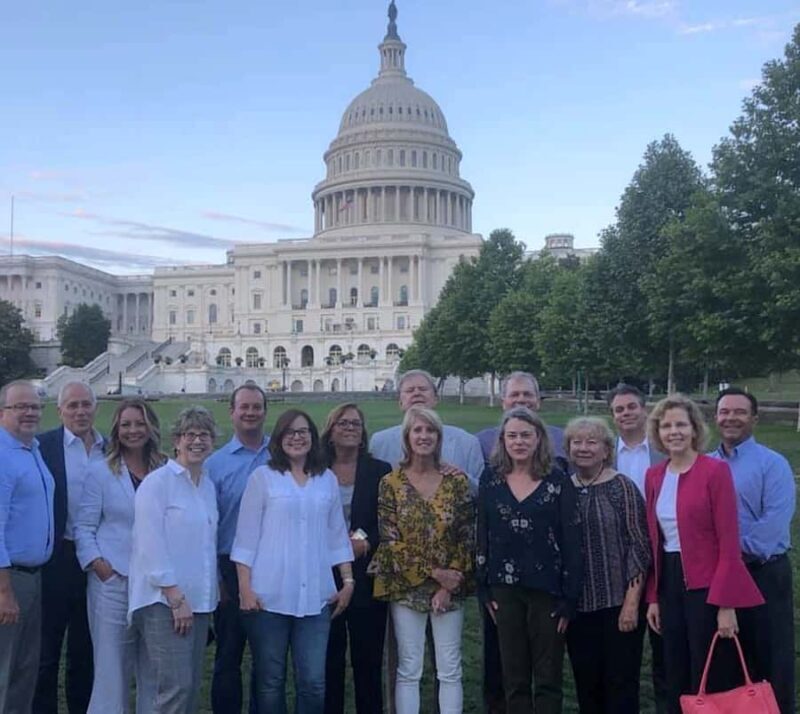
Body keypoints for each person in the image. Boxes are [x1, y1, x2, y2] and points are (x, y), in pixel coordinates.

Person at [643, 394, 764, 713]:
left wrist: (726, 604)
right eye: (666, 426)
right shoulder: (654, 475)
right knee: (674, 665)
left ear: (694, 429)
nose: (674, 432)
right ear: (658, 432)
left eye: (681, 424)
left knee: (707, 668)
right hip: (669, 581)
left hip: (707, 585)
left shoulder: (715, 471)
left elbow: (729, 541)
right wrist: (654, 596)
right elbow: (655, 540)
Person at [232, 409, 354, 714]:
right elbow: (246, 538)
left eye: (303, 432)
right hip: (268, 597)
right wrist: (244, 587)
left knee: (313, 682)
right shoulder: (263, 478)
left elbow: (336, 534)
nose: (297, 438)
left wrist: (348, 581)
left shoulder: (325, 479)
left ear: (313, 437)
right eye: (290, 432)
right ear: (279, 439)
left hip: (316, 597)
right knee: (270, 681)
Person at [476, 407, 581, 714]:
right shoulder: (491, 480)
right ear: (503, 440)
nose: (519, 442)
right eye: (512, 436)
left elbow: (571, 540)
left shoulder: (558, 481)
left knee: (547, 677)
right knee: (514, 676)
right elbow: (483, 533)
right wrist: (483, 588)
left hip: (548, 591)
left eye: (526, 435)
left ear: (539, 439)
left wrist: (570, 597)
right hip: (504, 591)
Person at [369, 406, 474, 714]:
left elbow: (466, 535)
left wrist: (448, 583)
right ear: (407, 437)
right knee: (409, 669)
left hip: (449, 589)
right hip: (405, 587)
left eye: (430, 430)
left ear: (438, 437)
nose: (424, 436)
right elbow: (391, 540)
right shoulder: (391, 483)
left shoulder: (456, 482)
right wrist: (434, 574)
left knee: (449, 668)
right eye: (417, 430)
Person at [75, 399, 168, 713]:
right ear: (116, 429)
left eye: (139, 423)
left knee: (155, 669)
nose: (133, 430)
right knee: (111, 668)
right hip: (113, 581)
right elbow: (84, 527)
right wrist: (100, 566)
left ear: (150, 427)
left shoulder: (167, 469)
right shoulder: (101, 471)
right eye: (126, 424)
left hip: (156, 583)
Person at [128, 406, 219, 714]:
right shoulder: (158, 484)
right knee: (173, 688)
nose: (197, 441)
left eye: (204, 434)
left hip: (199, 602)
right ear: (176, 440)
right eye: (189, 434)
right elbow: (150, 545)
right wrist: (174, 597)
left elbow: (204, 546)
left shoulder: (206, 486)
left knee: (189, 687)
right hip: (164, 602)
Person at [712, 387, 795, 714]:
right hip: (718, 579)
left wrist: (721, 549)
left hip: (762, 575)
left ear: (754, 419)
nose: (731, 417)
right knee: (728, 662)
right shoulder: (704, 464)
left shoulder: (773, 465)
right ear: (715, 417)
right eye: (724, 411)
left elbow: (769, 531)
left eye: (739, 412)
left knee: (771, 662)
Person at [563, 417, 650, 714]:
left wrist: (631, 601)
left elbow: (639, 544)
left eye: (592, 442)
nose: (583, 448)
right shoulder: (564, 489)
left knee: (621, 683)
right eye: (577, 442)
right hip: (579, 605)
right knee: (587, 684)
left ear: (606, 450)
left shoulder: (621, 487)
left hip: (618, 603)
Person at [35, 381, 105, 714]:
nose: (80, 411)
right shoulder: (43, 446)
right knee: (46, 650)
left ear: (96, 407)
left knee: (86, 649)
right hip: (57, 558)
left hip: (98, 562)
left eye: (85, 404)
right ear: (59, 410)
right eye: (72, 405)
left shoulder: (110, 447)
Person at [320, 403, 392, 714]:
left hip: (367, 576)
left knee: (368, 661)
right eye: (342, 423)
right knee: (328, 661)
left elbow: (388, 519)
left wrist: (364, 542)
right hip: (324, 575)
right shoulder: (315, 469)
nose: (350, 428)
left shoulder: (379, 470)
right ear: (330, 431)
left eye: (356, 424)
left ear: (363, 433)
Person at [206, 385, 270, 714]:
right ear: (231, 412)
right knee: (228, 655)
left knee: (267, 658)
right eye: (243, 407)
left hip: (272, 566)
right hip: (229, 567)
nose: (250, 413)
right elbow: (208, 526)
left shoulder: (283, 455)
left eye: (256, 407)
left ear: (265, 411)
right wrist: (216, 579)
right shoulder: (215, 464)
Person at [608, 383, 667, 714]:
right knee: (624, 653)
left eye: (631, 406)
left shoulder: (664, 450)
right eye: (619, 409)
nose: (626, 413)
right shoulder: (605, 452)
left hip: (664, 559)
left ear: (644, 409)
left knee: (666, 651)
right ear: (613, 416)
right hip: (621, 562)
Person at [0, 380, 55, 713]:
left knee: (24, 668)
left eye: (35, 406)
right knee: (5, 669)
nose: (30, 413)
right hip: (11, 578)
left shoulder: (32, 449)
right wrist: (4, 591)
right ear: (3, 412)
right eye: (21, 406)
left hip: (33, 577)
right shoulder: (3, 456)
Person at [370, 370, 484, 492]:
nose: (417, 393)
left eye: (423, 389)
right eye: (410, 390)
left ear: (436, 398)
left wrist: (464, 479)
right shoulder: (380, 442)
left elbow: (483, 493)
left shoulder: (467, 442)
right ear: (400, 403)